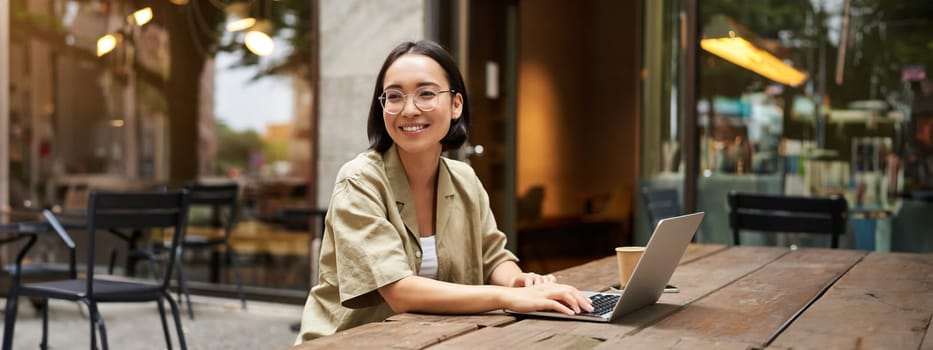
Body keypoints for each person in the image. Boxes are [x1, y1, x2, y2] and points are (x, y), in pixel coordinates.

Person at [295, 40, 592, 343]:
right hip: (351, 342)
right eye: (394, 96)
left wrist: (520, 282)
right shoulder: (359, 180)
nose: (409, 110)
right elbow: (400, 291)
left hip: (436, 339)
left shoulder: (464, 179)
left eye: (426, 94)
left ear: (456, 105)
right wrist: (508, 298)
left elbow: (493, 257)